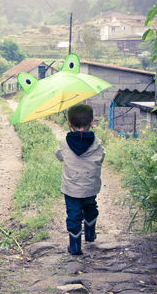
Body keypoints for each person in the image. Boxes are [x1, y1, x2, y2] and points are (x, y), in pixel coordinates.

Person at [55, 104, 105, 255]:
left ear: (69, 124)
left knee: (74, 214)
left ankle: (75, 246)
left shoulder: (64, 143)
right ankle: (90, 234)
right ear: (92, 123)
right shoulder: (97, 143)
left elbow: (59, 156)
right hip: (90, 187)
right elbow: (101, 158)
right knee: (90, 207)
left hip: (72, 189)